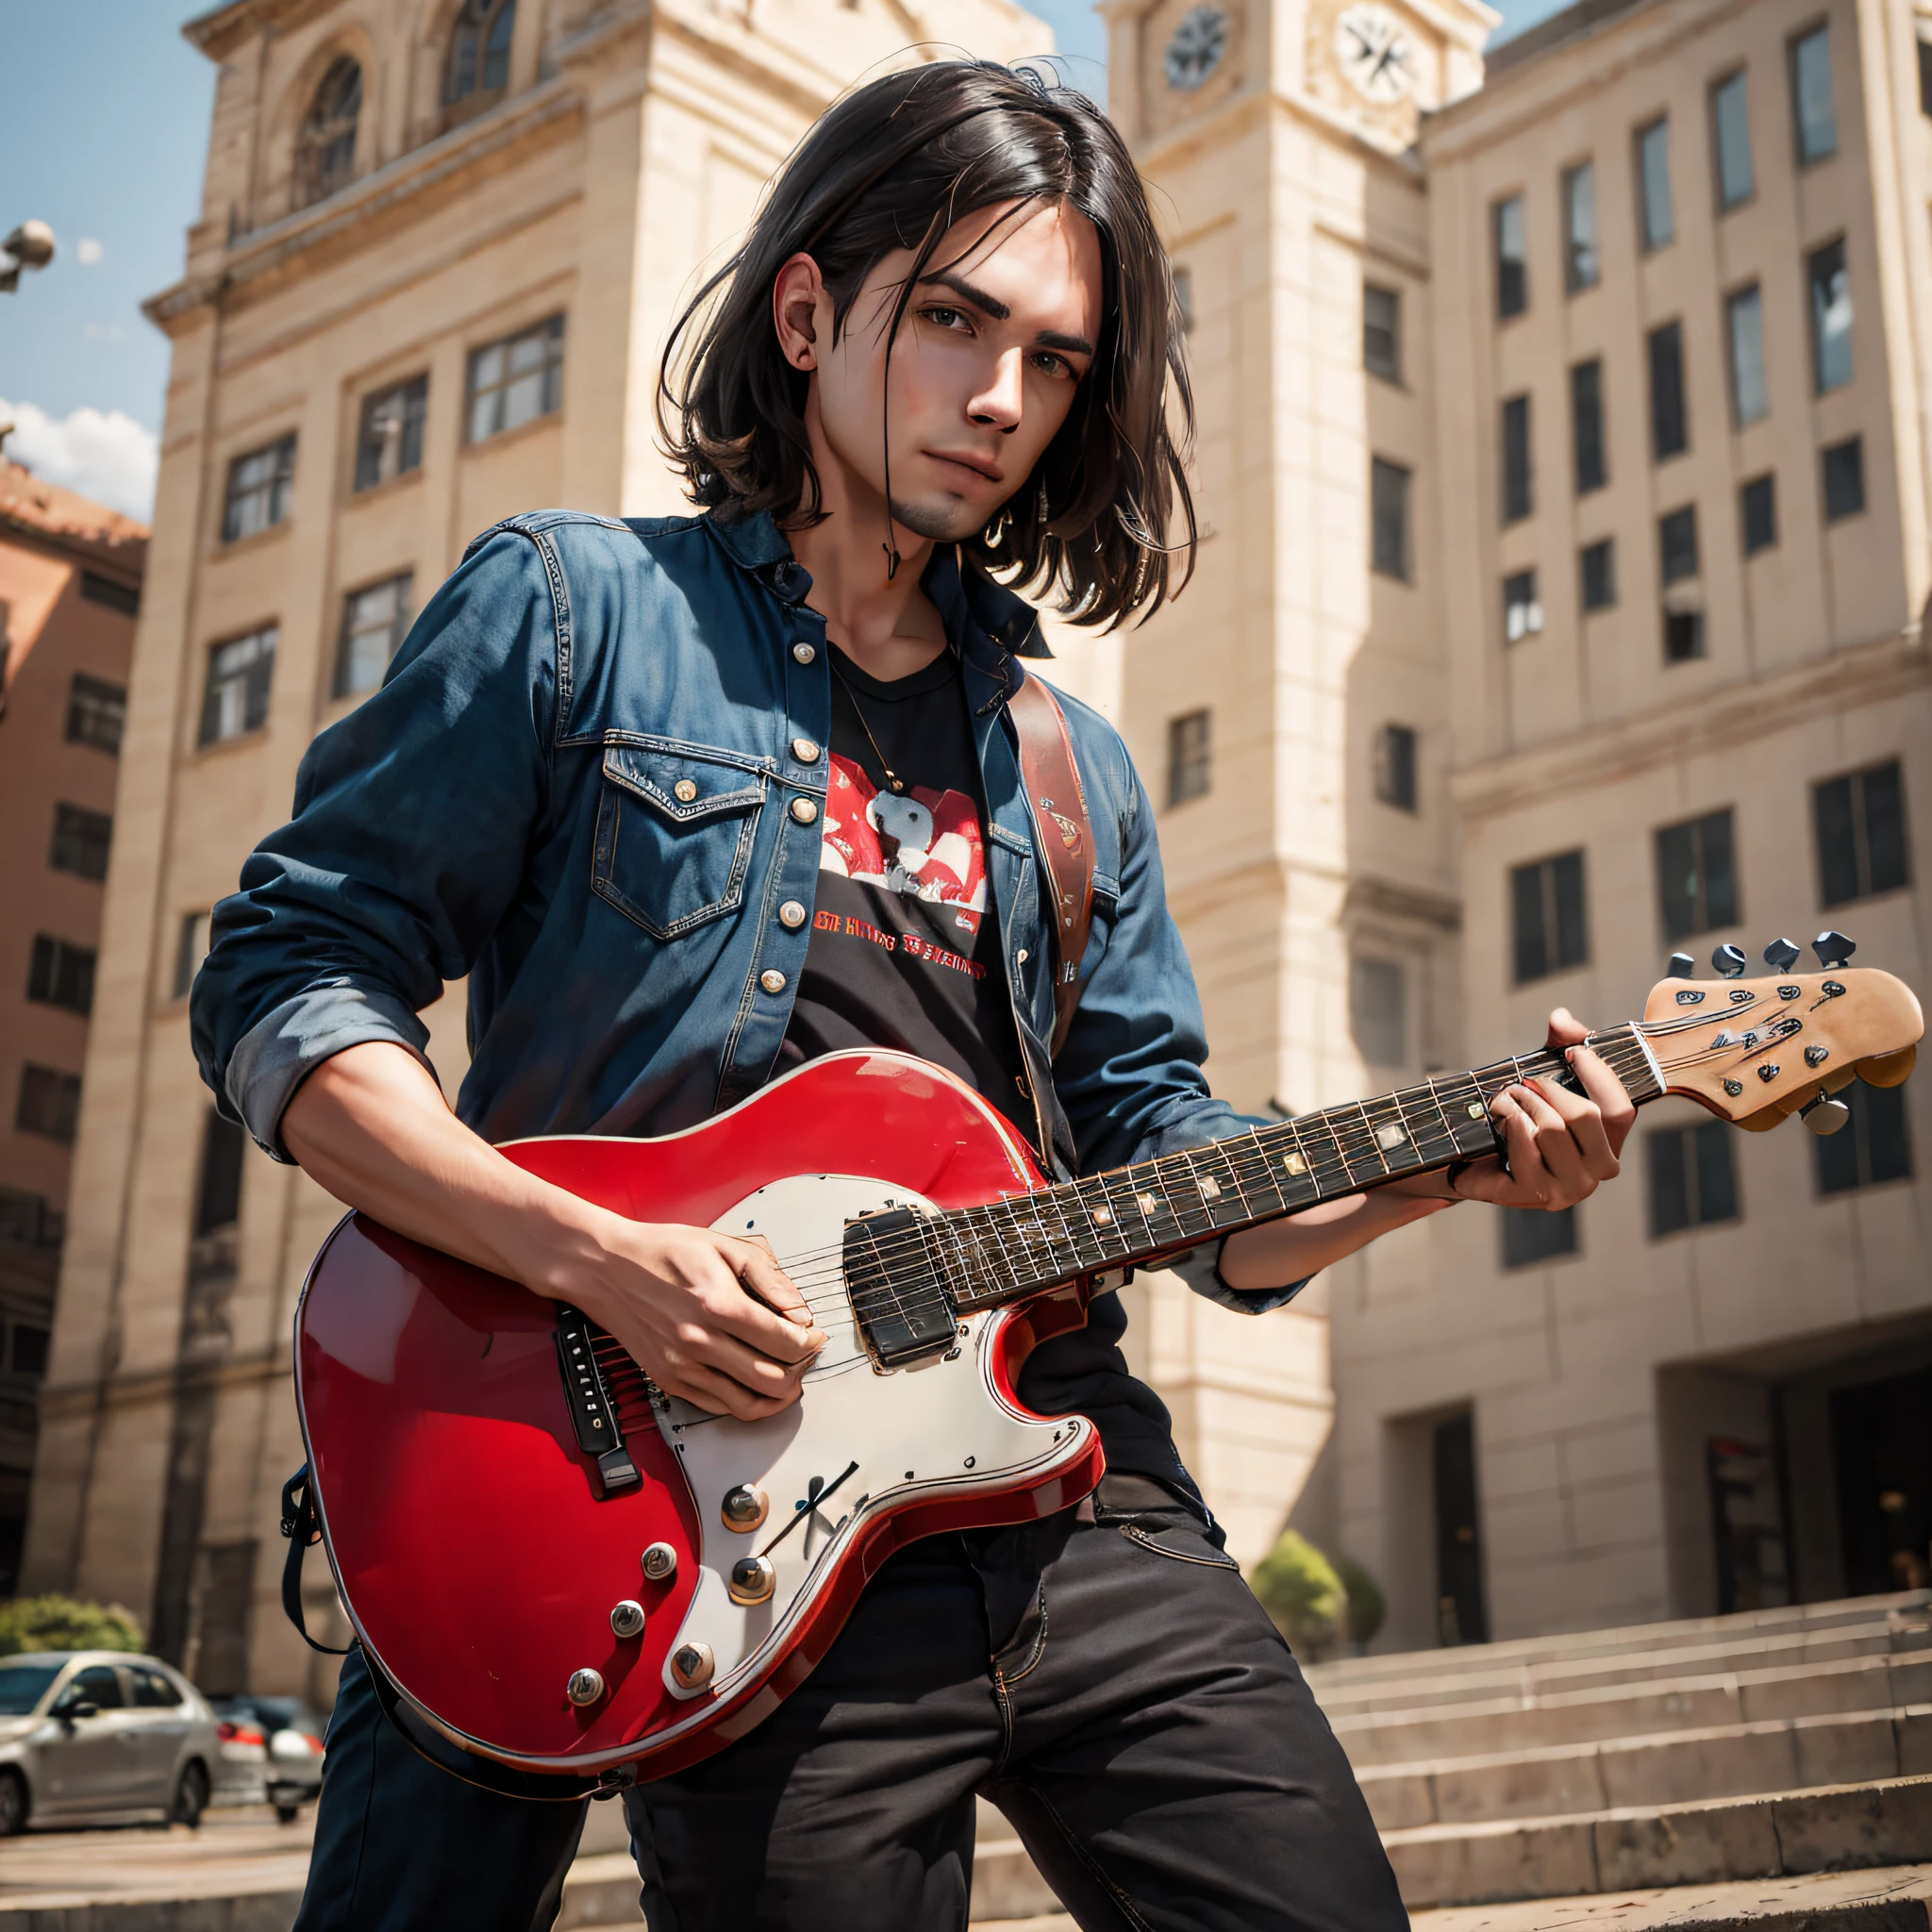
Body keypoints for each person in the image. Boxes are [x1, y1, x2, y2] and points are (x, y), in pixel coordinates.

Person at [192, 58, 1635, 1932]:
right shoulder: (575, 610)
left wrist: (1453, 1165)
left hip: (1063, 1475)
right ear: (807, 310)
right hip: (717, 1498)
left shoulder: (1070, 764)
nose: (999, 399)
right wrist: (591, 1255)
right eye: (952, 319)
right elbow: (290, 969)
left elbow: (1173, 1172)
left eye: (1050, 358)